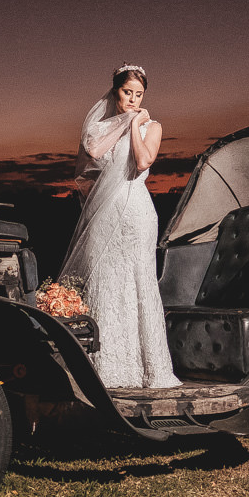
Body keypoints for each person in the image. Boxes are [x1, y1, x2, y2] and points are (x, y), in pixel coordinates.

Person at [58, 63, 181, 389]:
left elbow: (142, 162)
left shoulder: (151, 126)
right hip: (105, 213)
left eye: (139, 94)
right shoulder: (104, 126)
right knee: (105, 284)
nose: (133, 99)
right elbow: (93, 150)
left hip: (137, 214)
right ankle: (107, 369)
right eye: (128, 92)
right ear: (116, 91)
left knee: (139, 284)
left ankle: (150, 371)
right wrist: (124, 122)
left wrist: (136, 125)